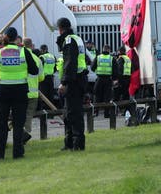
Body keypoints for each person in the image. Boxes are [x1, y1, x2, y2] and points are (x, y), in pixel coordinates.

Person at [0, 26, 38, 160]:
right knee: (18, 124)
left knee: (0, 124)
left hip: (1, 91)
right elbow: (34, 71)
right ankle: (18, 153)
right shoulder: (23, 51)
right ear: (16, 38)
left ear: (5, 37)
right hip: (20, 92)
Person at [56, 17, 87, 151]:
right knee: (69, 113)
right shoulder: (77, 38)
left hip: (73, 81)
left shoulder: (69, 41)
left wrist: (64, 83)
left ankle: (77, 144)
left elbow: (70, 62)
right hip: (79, 79)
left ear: (60, 29)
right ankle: (69, 142)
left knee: (73, 113)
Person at [22, 37, 44, 144]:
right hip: (34, 93)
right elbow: (41, 77)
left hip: (21, 91)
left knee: (18, 115)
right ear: (32, 45)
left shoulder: (21, 57)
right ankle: (25, 135)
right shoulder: (37, 59)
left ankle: (21, 134)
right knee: (28, 116)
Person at [91, 44, 116, 117]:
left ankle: (95, 112)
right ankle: (106, 113)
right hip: (108, 79)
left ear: (103, 49)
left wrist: (98, 71)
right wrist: (114, 79)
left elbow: (92, 67)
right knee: (107, 97)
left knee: (97, 95)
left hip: (99, 79)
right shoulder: (111, 58)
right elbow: (115, 71)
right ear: (109, 50)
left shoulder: (98, 57)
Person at [115, 45, 133, 116]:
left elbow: (119, 70)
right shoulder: (128, 58)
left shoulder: (121, 59)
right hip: (128, 79)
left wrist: (118, 80)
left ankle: (115, 111)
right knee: (126, 95)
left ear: (119, 51)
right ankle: (127, 111)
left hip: (122, 79)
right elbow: (132, 69)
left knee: (117, 95)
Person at [38, 44, 56, 109]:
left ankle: (44, 113)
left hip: (43, 79)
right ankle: (51, 113)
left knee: (43, 96)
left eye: (41, 50)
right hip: (51, 78)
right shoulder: (52, 56)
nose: (40, 52)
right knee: (50, 95)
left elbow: (39, 68)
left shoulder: (42, 57)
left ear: (43, 50)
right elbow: (55, 68)